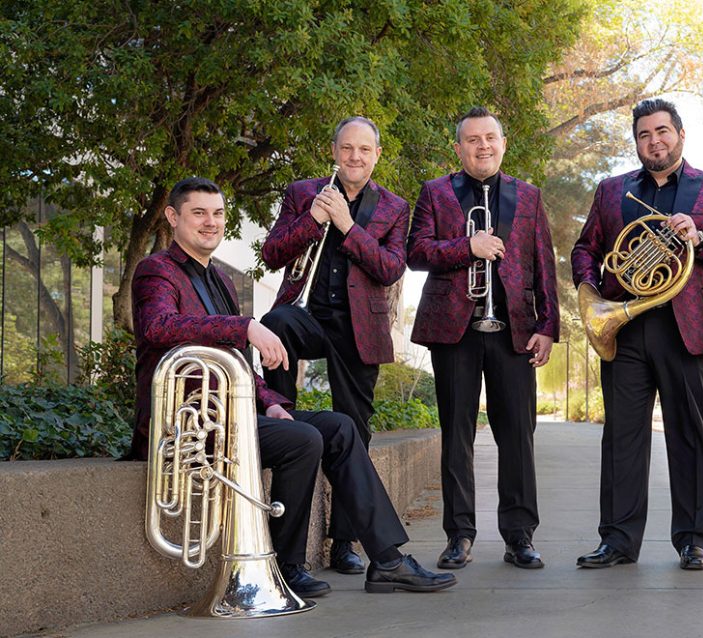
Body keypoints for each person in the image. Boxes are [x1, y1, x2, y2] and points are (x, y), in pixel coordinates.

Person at [130, 176, 455, 596]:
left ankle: (388, 560)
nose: (210, 223)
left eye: (217, 214)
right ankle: (286, 565)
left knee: (340, 427)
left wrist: (271, 401)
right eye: (198, 213)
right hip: (188, 424)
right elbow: (160, 327)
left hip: (233, 413)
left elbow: (237, 364)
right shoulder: (155, 270)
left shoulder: (222, 282)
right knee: (302, 439)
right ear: (173, 217)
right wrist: (244, 325)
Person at [571, 98, 703, 570]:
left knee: (690, 436)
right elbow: (585, 248)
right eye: (644, 134)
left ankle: (694, 540)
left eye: (662, 131)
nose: (655, 141)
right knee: (622, 438)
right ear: (635, 142)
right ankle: (617, 541)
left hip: (690, 332)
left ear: (680, 135)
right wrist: (592, 291)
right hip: (626, 327)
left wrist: (701, 238)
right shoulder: (611, 191)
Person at [407, 107, 559, 570]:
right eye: (472, 139)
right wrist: (465, 248)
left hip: (513, 328)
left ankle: (519, 536)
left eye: (490, 137)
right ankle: (460, 535)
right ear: (459, 148)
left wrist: (548, 326)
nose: (482, 146)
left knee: (518, 436)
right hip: (455, 332)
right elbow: (415, 252)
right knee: (457, 436)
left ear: (503, 142)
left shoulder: (529, 197)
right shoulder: (435, 192)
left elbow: (543, 266)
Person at [260, 116, 408, 575]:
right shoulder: (303, 193)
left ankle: (344, 543)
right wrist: (314, 219)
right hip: (306, 315)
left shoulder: (394, 207)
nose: (355, 157)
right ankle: (280, 410)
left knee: (354, 432)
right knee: (276, 320)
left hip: (358, 329)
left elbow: (390, 268)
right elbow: (273, 253)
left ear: (376, 155)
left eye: (364, 150)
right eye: (347, 148)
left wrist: (346, 226)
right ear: (334, 150)